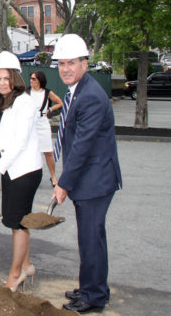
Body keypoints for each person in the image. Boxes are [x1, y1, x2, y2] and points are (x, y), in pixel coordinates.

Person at [51, 34, 122, 314]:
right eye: (61, 63)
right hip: (89, 179)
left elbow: (82, 147)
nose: (65, 68)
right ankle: (92, 286)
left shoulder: (90, 96)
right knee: (90, 238)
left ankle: (94, 297)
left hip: (95, 181)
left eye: (71, 62)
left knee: (91, 239)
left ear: (84, 63)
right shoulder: (78, 90)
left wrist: (63, 184)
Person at [0, 51, 43, 292]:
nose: (1, 83)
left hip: (24, 171)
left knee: (17, 223)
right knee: (16, 221)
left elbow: (20, 142)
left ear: (15, 78)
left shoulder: (25, 102)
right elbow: (10, 137)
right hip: (12, 169)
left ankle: (16, 273)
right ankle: (26, 265)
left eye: (6, 78)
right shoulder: (6, 102)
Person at [27, 70, 63, 186]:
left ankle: (53, 177)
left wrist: (50, 110)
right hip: (30, 124)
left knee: (48, 152)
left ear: (40, 81)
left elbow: (60, 102)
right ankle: (30, 177)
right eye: (31, 78)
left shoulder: (47, 93)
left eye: (34, 79)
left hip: (42, 123)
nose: (31, 81)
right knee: (29, 150)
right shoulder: (26, 92)